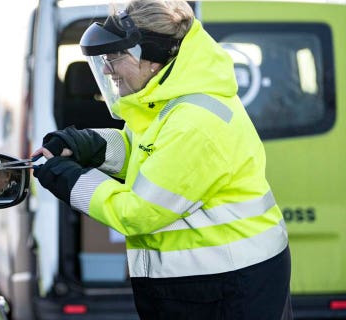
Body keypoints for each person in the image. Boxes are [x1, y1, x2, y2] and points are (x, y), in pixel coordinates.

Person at [31, 1, 292, 319]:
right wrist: (84, 144)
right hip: (210, 282)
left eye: (115, 57)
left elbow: (136, 212)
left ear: (152, 59)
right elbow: (142, 152)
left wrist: (67, 178)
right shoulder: (167, 101)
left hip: (228, 287)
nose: (107, 69)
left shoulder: (193, 122)